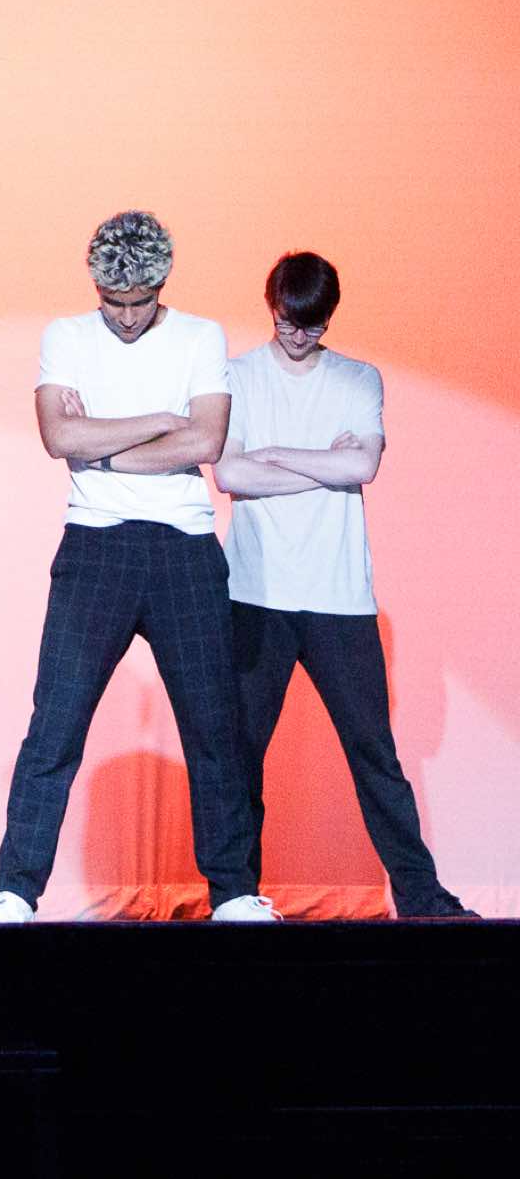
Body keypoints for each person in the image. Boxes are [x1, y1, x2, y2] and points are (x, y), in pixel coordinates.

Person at [0, 210, 275, 923]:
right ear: (97, 288)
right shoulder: (67, 335)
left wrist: (104, 448)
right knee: (55, 726)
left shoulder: (200, 336)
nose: (128, 316)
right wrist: (162, 419)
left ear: (161, 286)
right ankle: (15, 891)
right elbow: (59, 436)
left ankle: (233, 891)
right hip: (95, 546)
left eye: (141, 302)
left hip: (184, 549)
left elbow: (206, 441)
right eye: (115, 302)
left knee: (215, 728)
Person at [210, 252, 475, 918]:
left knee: (374, 755)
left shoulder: (359, 379)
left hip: (340, 598)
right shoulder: (238, 376)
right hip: (254, 594)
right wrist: (324, 464)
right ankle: (237, 897)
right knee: (239, 756)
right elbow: (231, 475)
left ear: (328, 318)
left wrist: (276, 453)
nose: (298, 335)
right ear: (271, 305)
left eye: (312, 324)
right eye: (287, 320)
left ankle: (422, 897)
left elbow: (363, 465)